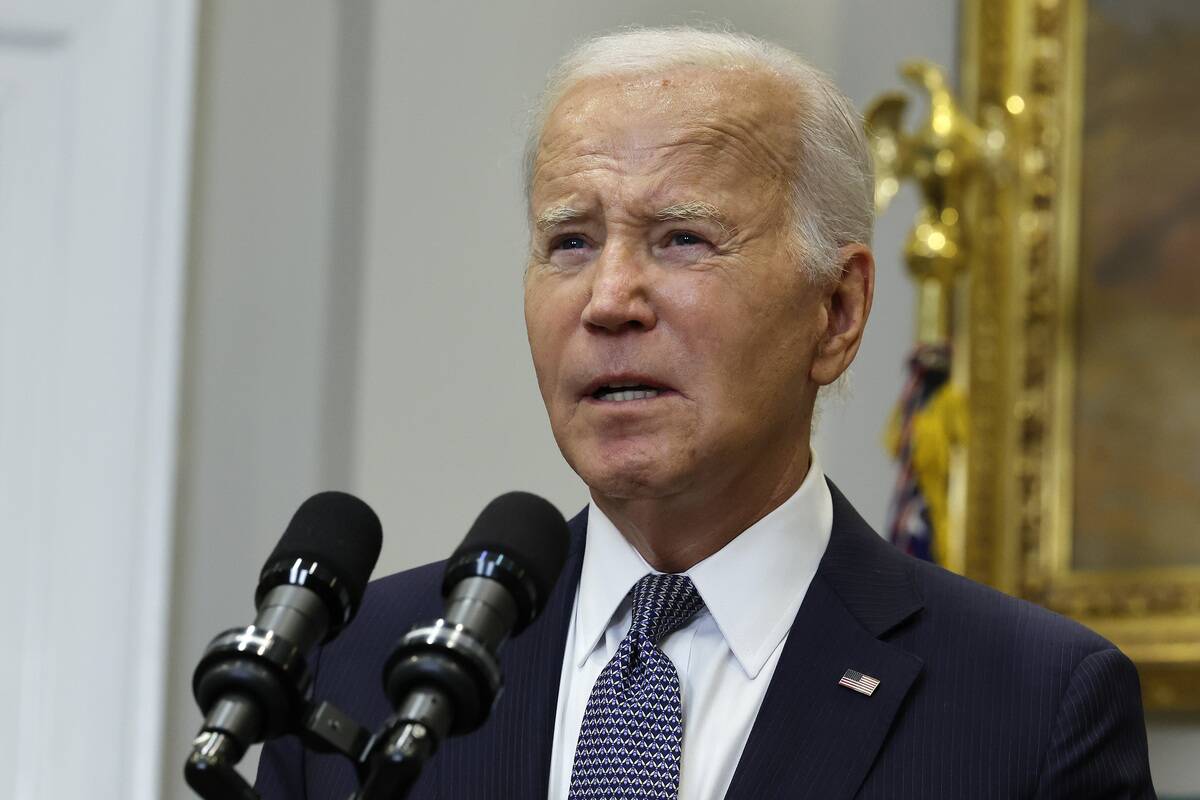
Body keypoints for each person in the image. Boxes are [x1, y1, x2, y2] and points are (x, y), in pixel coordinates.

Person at [256, 27, 1154, 799]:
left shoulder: (1031, 707)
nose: (609, 300)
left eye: (682, 239)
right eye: (570, 242)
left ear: (837, 313)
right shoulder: (362, 664)